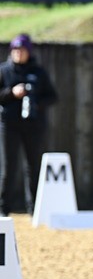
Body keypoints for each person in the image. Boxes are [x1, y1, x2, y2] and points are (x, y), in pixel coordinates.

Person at [0, 34, 58, 217]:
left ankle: (34, 209)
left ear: (29, 52)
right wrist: (11, 93)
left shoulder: (39, 72)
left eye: (22, 50)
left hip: (33, 125)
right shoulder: (4, 71)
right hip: (9, 124)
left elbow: (52, 97)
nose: (18, 53)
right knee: (8, 167)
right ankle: (3, 209)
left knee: (33, 166)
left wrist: (35, 103)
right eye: (15, 50)